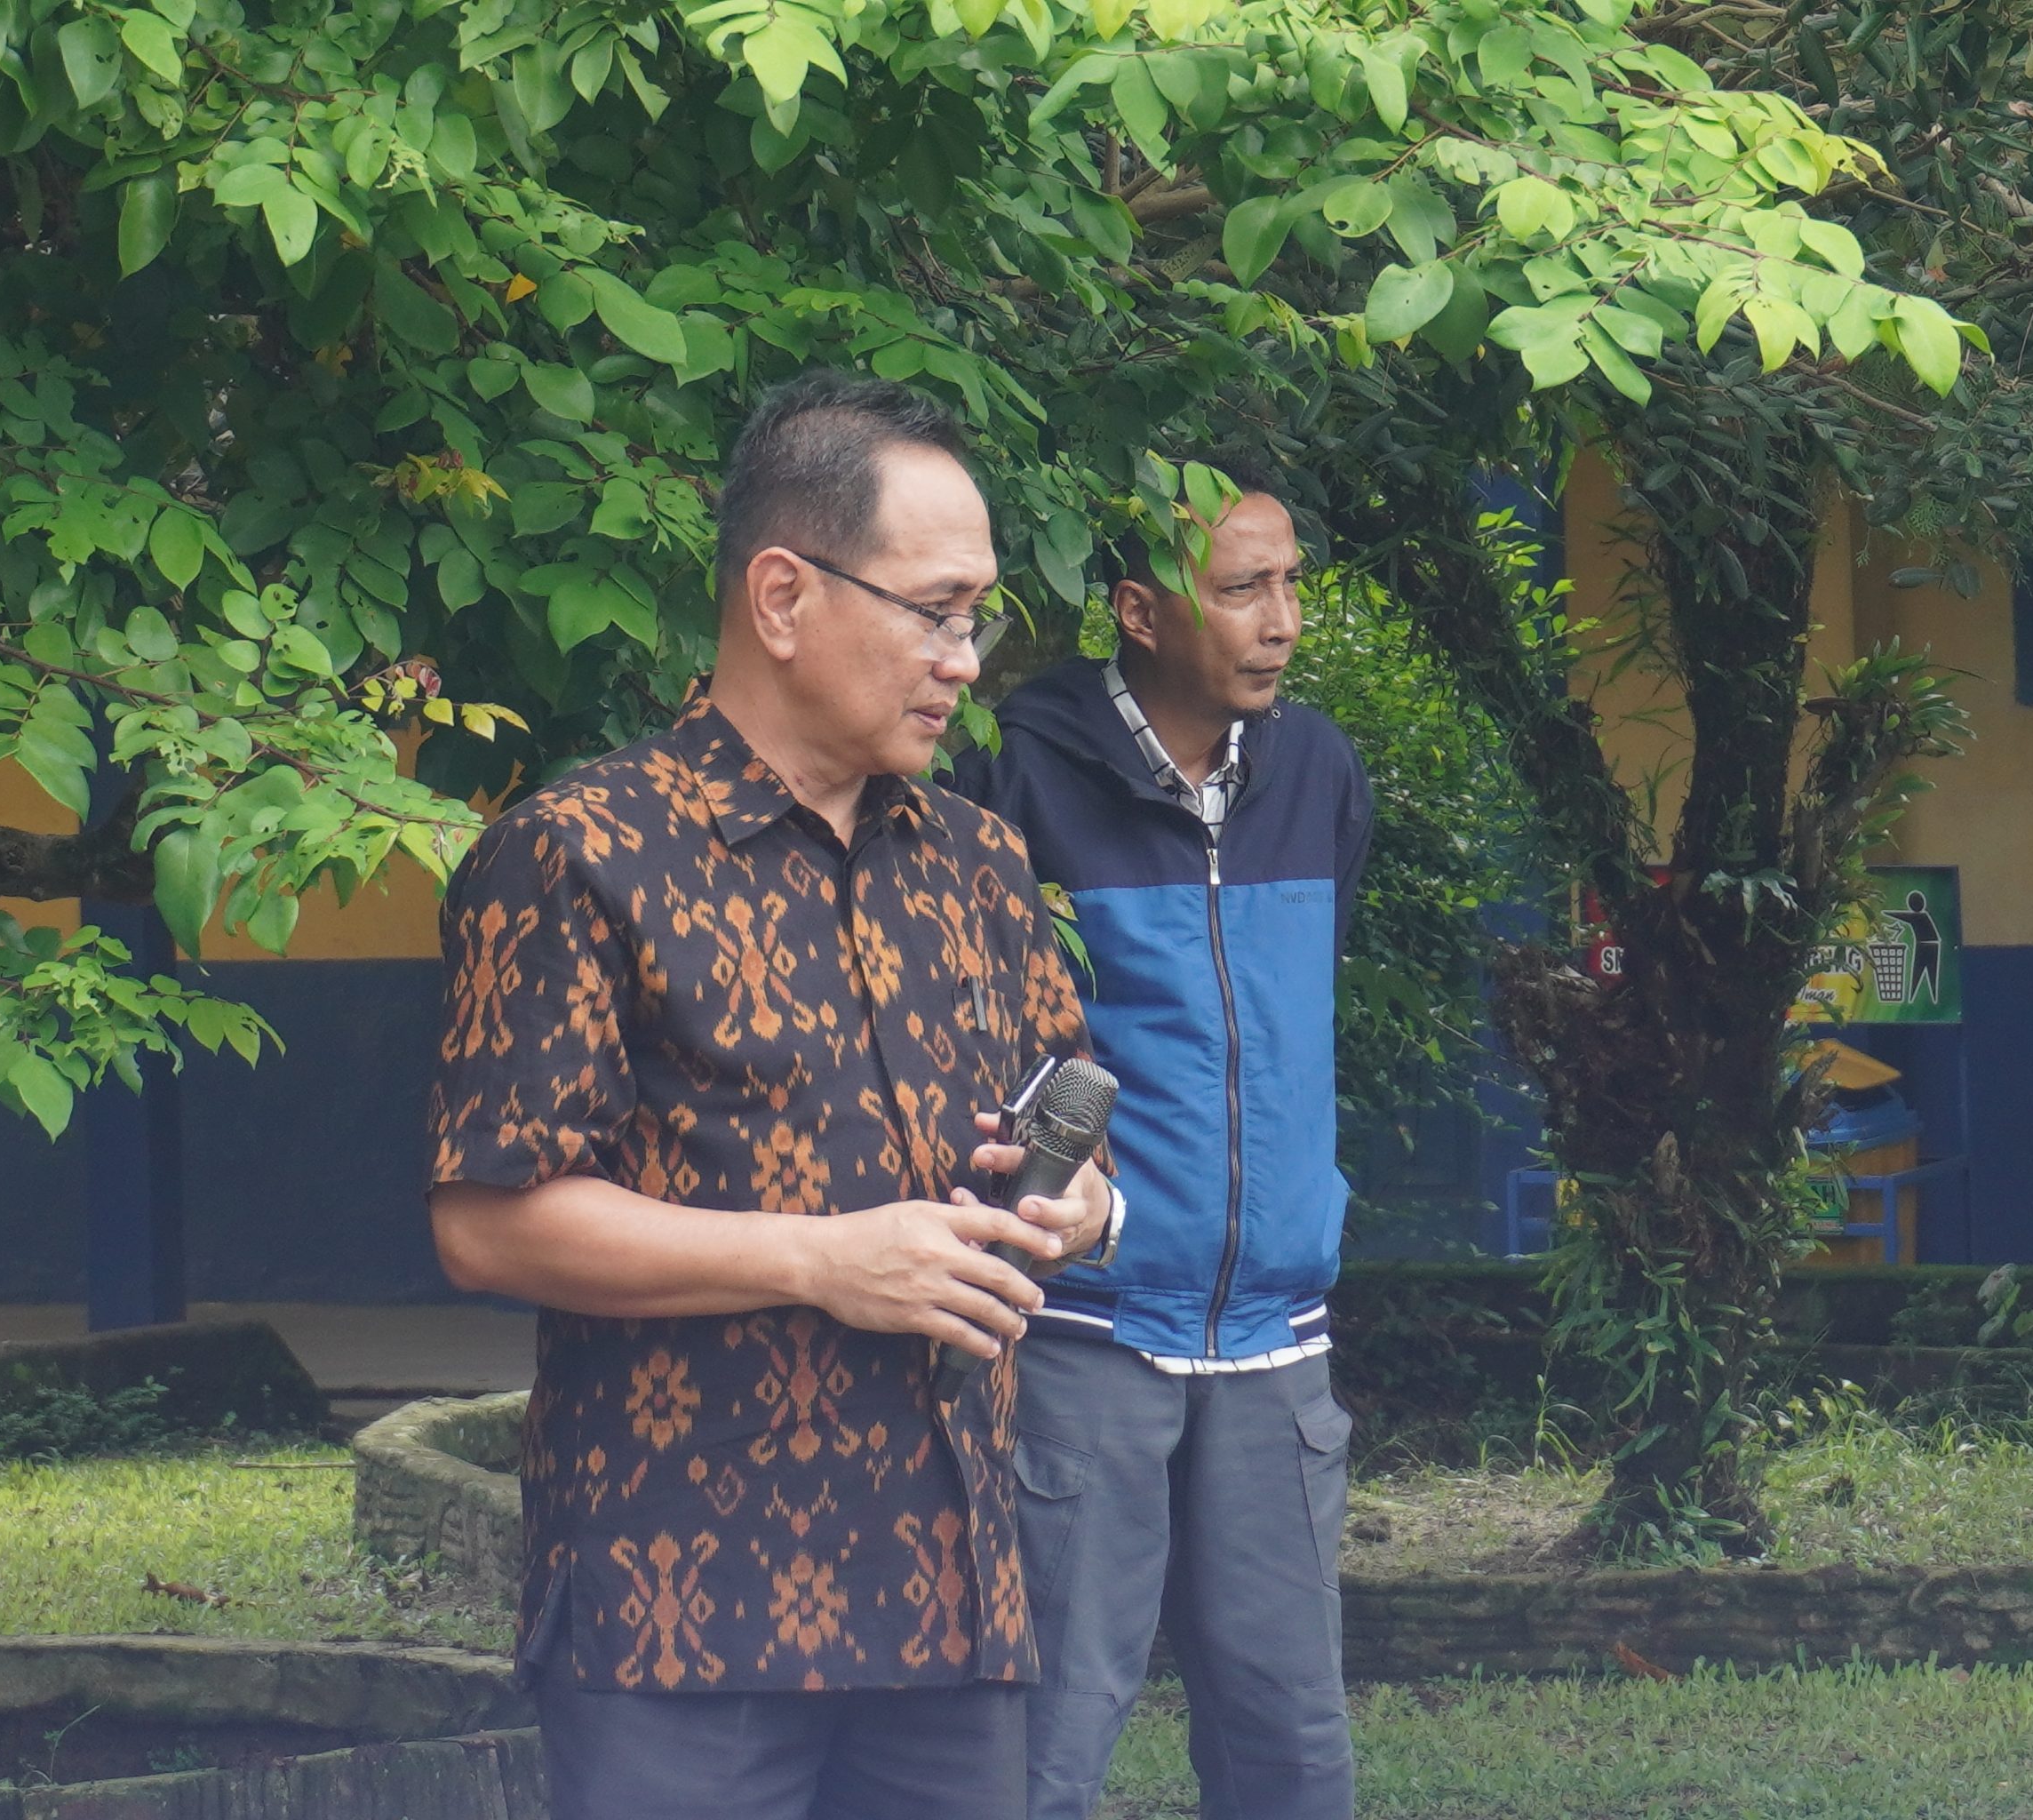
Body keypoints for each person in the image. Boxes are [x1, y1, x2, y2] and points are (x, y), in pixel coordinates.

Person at [427, 369, 1121, 1820]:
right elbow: (489, 1224)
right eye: (934, 612)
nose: (964, 660)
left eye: (978, 618)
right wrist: (822, 1259)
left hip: (952, 1596)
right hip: (682, 1614)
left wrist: (1073, 1213)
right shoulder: (577, 853)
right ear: (784, 598)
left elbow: (1069, 1135)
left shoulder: (981, 864)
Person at [951, 459, 1369, 1820]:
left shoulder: (1317, 771)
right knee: (1044, 1752)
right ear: (1138, 611)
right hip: (1084, 1333)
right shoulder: (1014, 772)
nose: (1282, 621)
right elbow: (970, 1039)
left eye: (1291, 584)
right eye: (1243, 589)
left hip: (1275, 1344)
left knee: (1294, 1758)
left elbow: (1290, 1026)